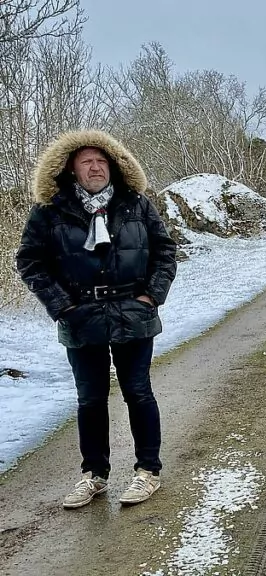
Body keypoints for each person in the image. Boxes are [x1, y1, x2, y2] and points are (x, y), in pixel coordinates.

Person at [15, 130, 177, 509]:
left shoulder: (136, 204)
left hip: (133, 314)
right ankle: (94, 475)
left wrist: (151, 295)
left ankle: (148, 471)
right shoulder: (49, 211)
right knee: (90, 398)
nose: (95, 167)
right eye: (86, 161)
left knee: (138, 392)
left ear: (114, 166)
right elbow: (30, 262)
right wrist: (63, 306)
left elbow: (165, 251)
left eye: (102, 161)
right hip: (80, 317)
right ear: (71, 169)